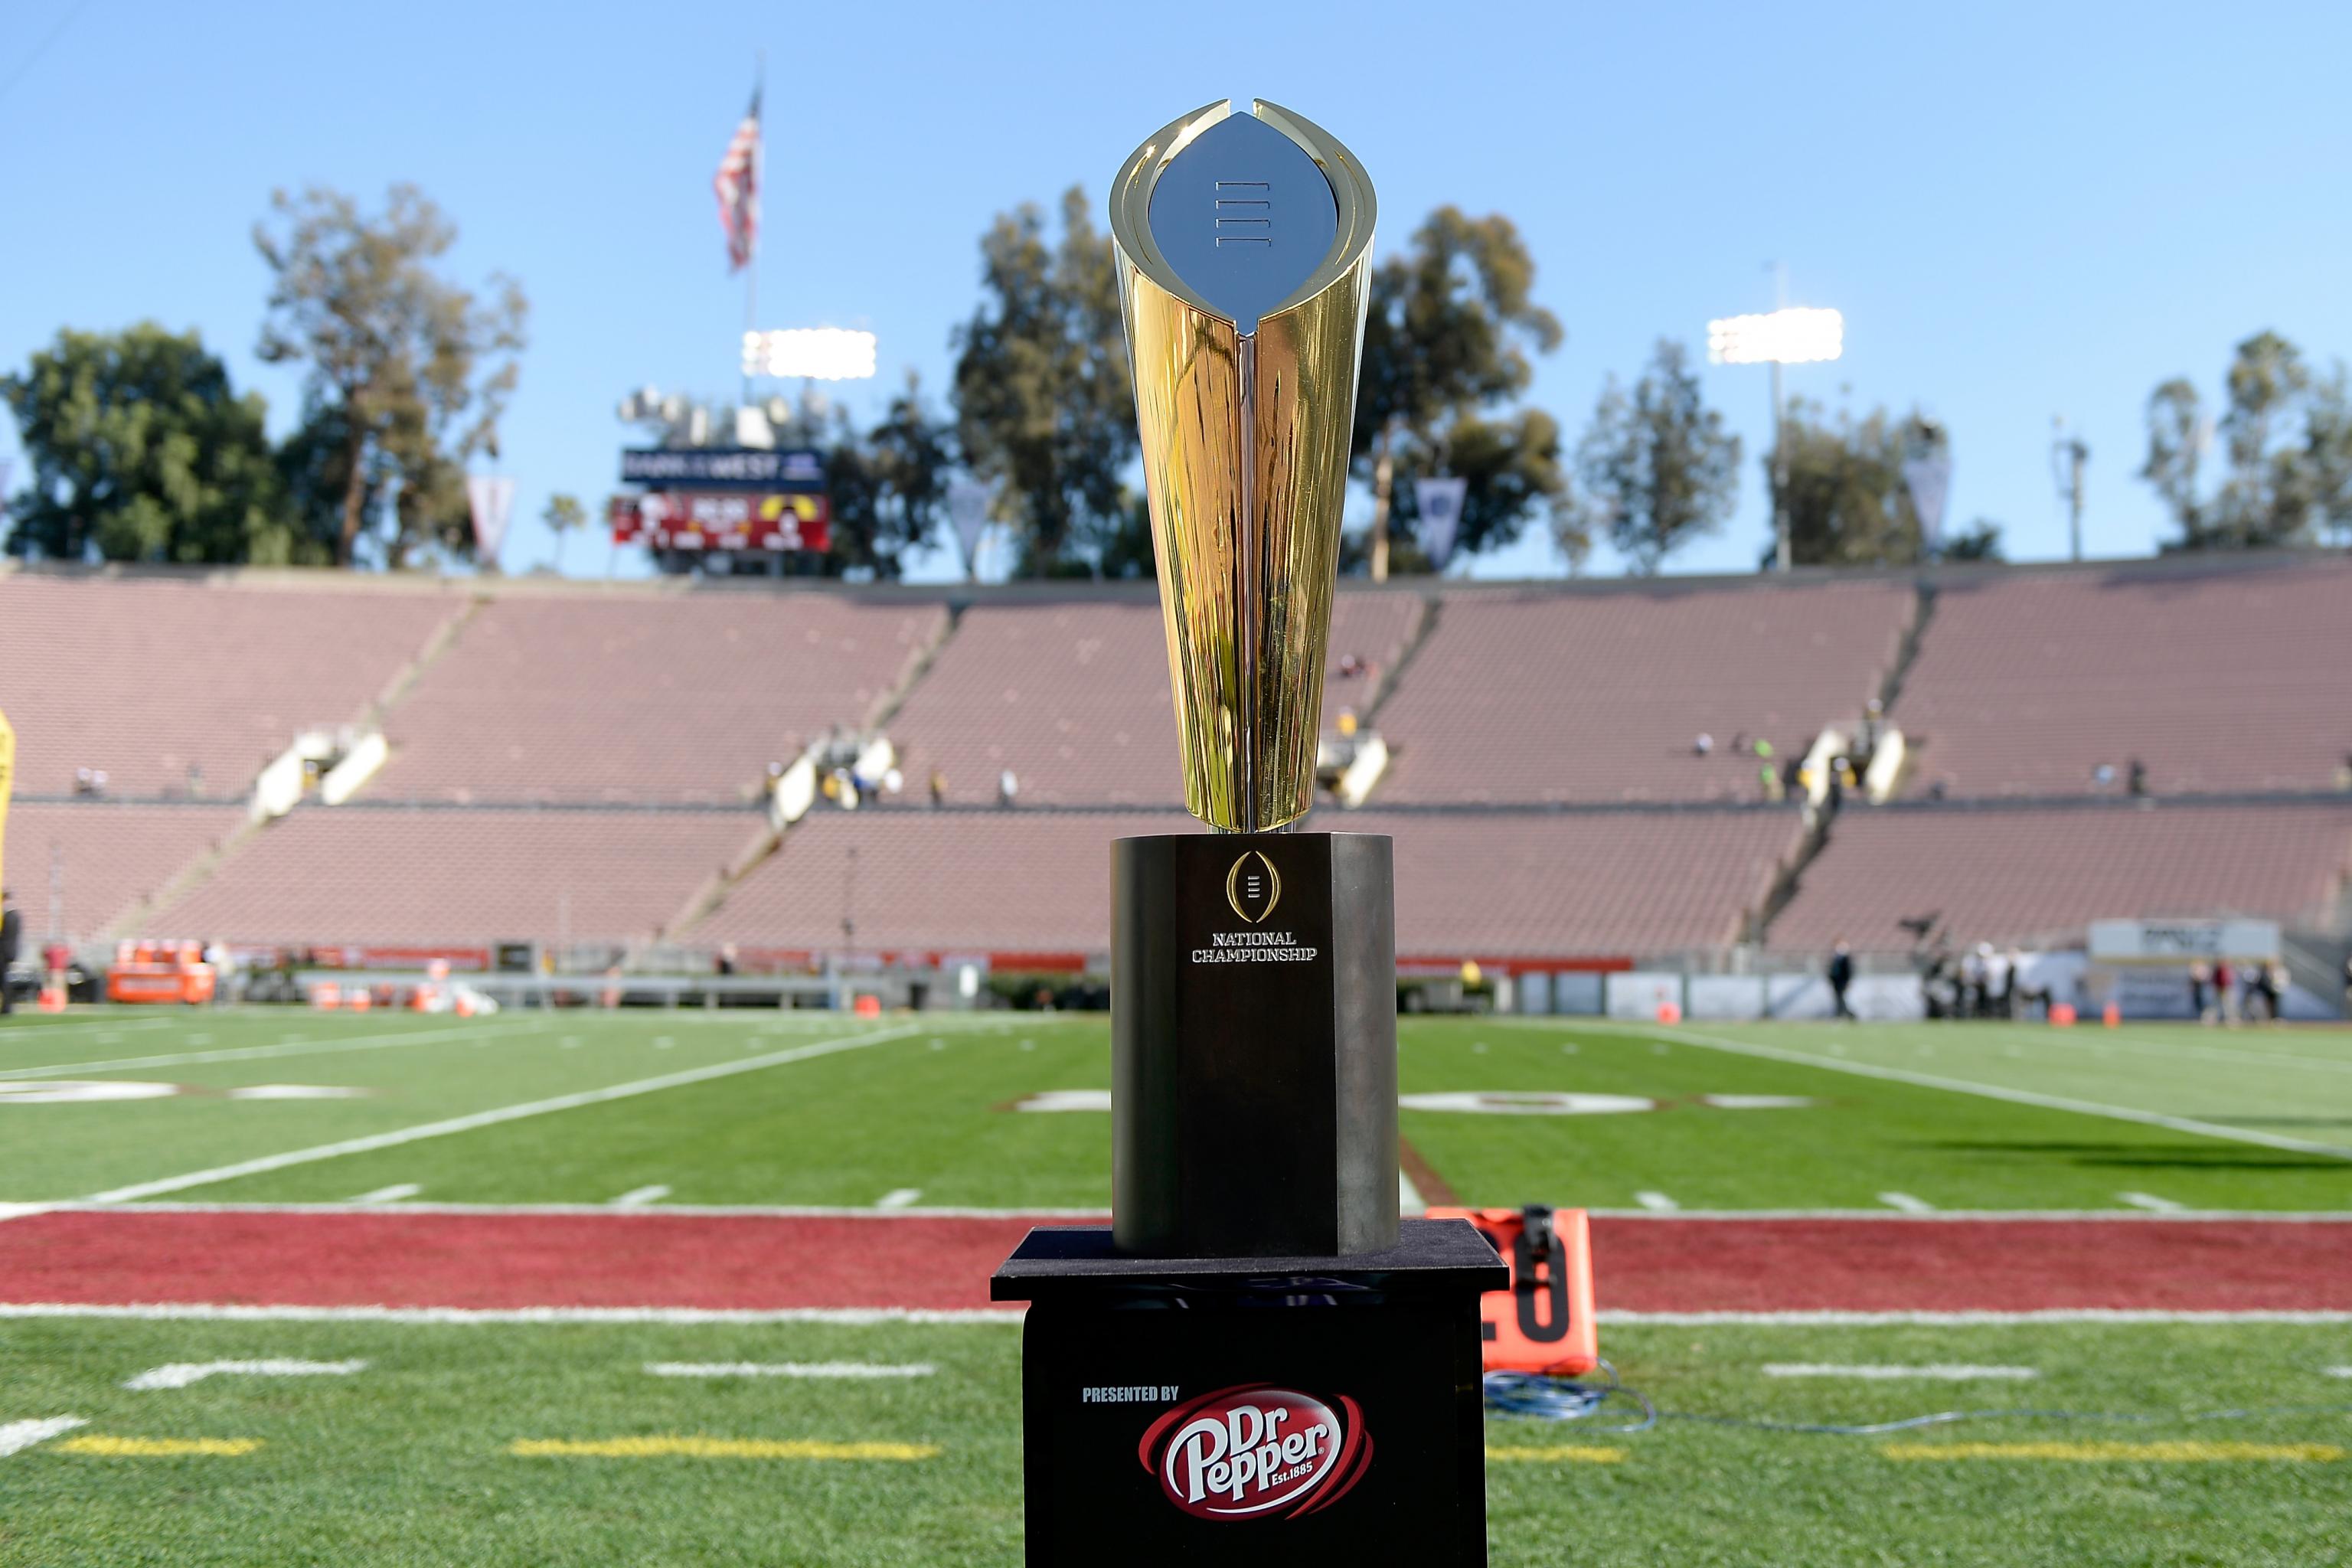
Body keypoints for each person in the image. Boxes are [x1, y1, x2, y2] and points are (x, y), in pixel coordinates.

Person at [0, 890, 20, 1017]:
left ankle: (7, 1007)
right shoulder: (15, 915)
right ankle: (7, 1006)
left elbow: (5, 936)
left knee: (4, 980)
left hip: (4, 952)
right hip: (8, 951)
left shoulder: (10, 916)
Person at [1827, 941, 1855, 1021]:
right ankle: (1844, 1015)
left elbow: (1848, 972)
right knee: (1839, 999)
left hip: (1842, 982)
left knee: (1841, 999)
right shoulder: (1836, 958)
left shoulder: (1845, 958)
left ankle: (1844, 1015)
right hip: (1836, 982)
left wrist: (1848, 981)